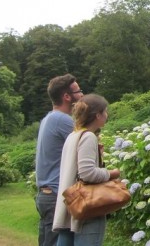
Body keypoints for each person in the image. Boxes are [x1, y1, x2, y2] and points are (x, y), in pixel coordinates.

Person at [52, 94, 120, 245]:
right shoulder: (88, 136)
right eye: (105, 111)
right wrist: (111, 173)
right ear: (98, 115)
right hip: (86, 208)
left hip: (69, 206)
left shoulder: (73, 135)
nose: (107, 115)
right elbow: (87, 173)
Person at [34, 74, 83, 246]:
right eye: (78, 91)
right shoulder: (62, 120)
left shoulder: (49, 118)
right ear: (67, 96)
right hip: (55, 196)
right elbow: (86, 146)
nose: (82, 95)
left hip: (46, 195)